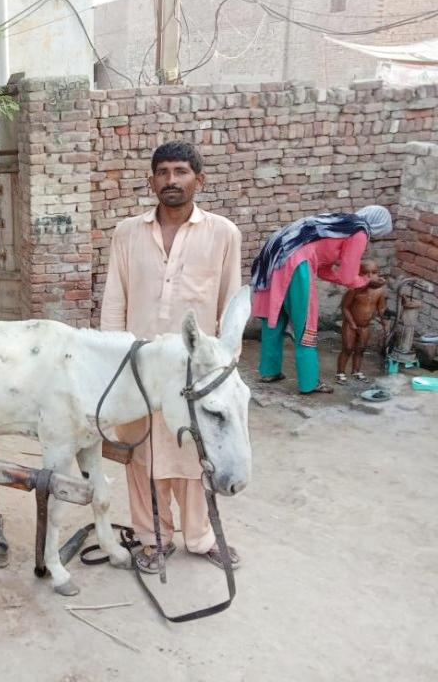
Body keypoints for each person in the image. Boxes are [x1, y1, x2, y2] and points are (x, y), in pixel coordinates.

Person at [100, 139, 242, 574]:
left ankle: (200, 538)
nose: (171, 180)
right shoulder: (127, 233)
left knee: (194, 454)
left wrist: (224, 367)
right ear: (151, 181)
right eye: (162, 172)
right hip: (139, 367)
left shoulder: (223, 233)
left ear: (199, 180)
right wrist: (112, 361)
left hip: (193, 371)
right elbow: (114, 299)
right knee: (141, 454)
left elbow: (229, 301)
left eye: (180, 172)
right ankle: (152, 538)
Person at [251, 205, 393, 394]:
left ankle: (269, 372)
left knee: (274, 319)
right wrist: (367, 282)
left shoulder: (342, 223)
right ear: (378, 226)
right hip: (296, 262)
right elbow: (348, 276)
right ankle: (309, 383)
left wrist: (356, 281)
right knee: (305, 325)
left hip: (276, 255)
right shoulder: (359, 232)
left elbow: (325, 270)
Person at [336, 259, 388, 383]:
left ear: (379, 274)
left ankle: (356, 371)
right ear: (359, 275)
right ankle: (340, 373)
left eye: (374, 272)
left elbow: (381, 309)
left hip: (365, 326)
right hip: (350, 324)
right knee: (347, 348)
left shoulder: (379, 291)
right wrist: (352, 322)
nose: (370, 276)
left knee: (361, 349)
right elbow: (345, 307)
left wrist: (385, 324)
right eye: (366, 273)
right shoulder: (354, 290)